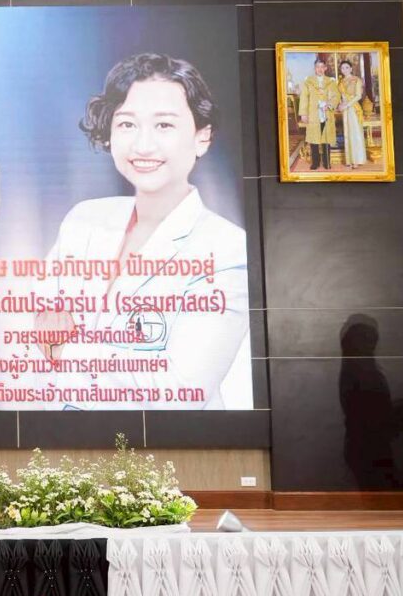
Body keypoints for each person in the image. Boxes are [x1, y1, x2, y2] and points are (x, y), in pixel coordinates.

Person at [34, 52, 249, 410]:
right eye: (127, 124)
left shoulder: (226, 248)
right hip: (62, 434)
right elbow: (29, 343)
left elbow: (180, 389)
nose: (143, 145)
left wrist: (63, 351)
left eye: (164, 125)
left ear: (202, 136)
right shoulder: (82, 221)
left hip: (171, 442)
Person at [298, 58, 340, 170]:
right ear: (315, 68)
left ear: (325, 68)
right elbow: (304, 98)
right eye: (317, 67)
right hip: (313, 114)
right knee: (314, 138)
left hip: (326, 113)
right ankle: (315, 162)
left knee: (326, 138)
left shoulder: (331, 81)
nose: (320, 69)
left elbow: (336, 96)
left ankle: (327, 162)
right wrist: (303, 113)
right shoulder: (308, 81)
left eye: (322, 67)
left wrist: (329, 105)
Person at [338, 60, 367, 169]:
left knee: (355, 133)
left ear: (351, 68)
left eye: (347, 67)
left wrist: (347, 105)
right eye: (342, 68)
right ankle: (349, 159)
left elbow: (358, 96)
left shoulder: (356, 80)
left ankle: (357, 160)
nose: (344, 70)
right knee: (347, 134)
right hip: (345, 109)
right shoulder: (341, 82)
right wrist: (341, 104)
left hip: (353, 108)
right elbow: (341, 97)